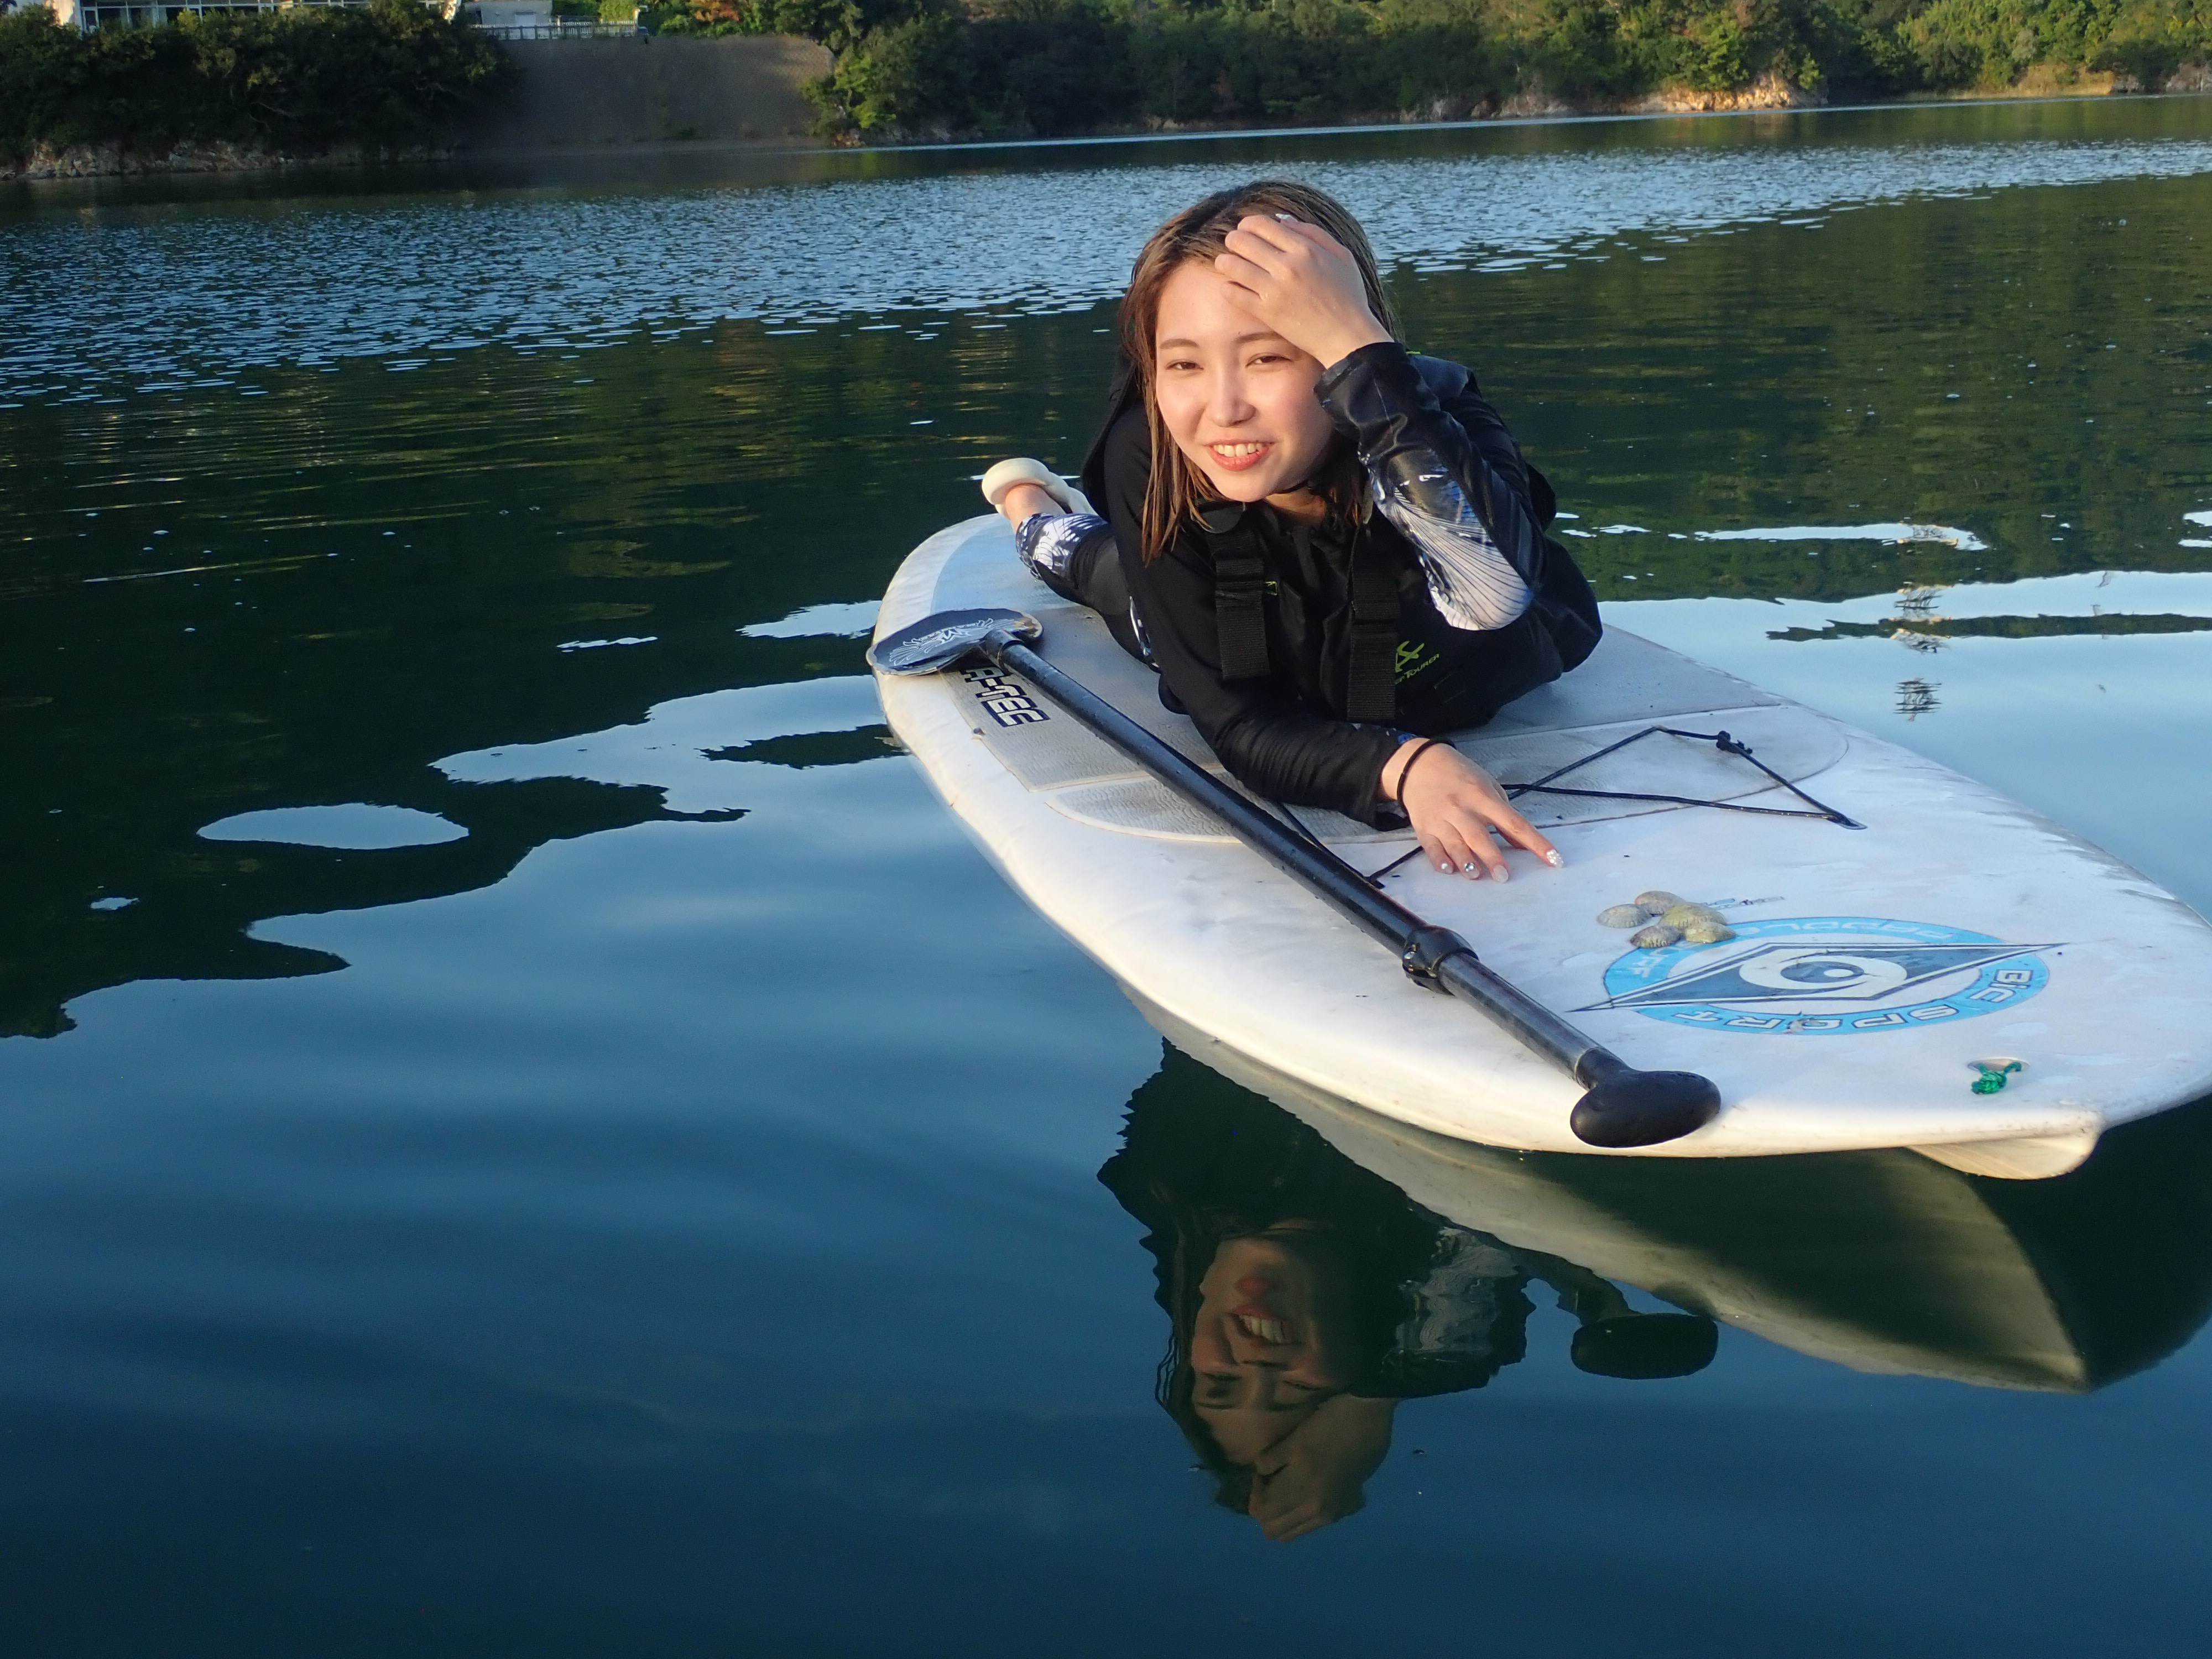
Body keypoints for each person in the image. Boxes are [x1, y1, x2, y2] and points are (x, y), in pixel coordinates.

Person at [981, 179, 1601, 883]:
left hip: (1445, 666)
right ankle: (1029, 504)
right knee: (1088, 565)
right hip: (1236, 613)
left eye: (1267, 357)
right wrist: (1401, 766)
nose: (1223, 410)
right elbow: (1239, 725)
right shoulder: (1150, 456)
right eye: (1183, 364)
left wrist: (1355, 344)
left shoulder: (1439, 419)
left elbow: (1491, 599)